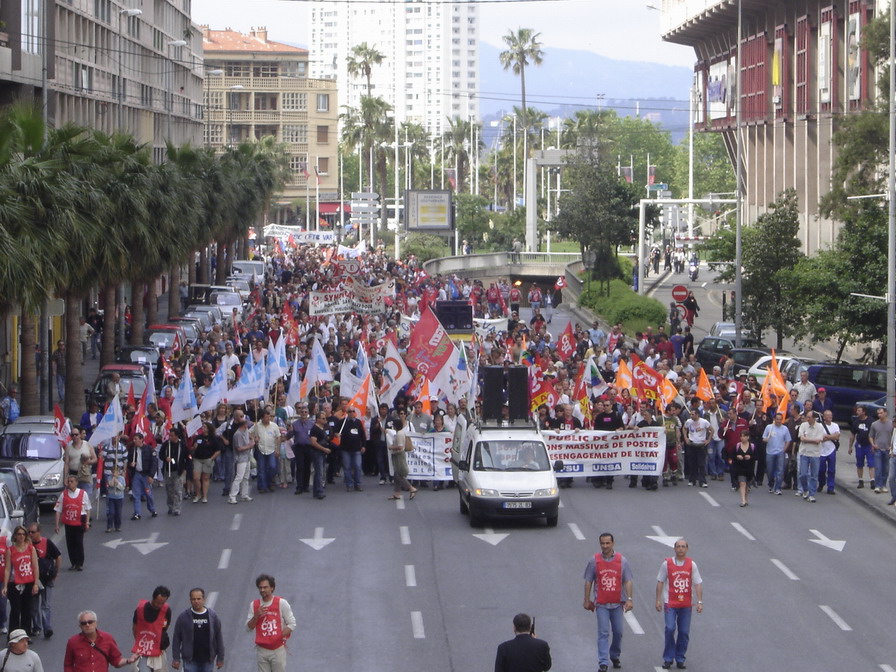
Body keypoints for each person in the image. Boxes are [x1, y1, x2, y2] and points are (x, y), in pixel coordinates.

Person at [583, 533, 633, 672]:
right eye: (602, 543)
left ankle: (615, 655)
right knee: (603, 632)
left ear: (613, 543)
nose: (605, 546)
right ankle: (603, 662)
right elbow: (588, 581)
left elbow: (627, 580)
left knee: (618, 632)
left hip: (617, 603)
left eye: (607, 543)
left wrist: (629, 599)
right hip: (601, 604)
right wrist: (587, 600)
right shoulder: (594, 561)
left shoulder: (622, 560)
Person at [655, 539, 703, 670]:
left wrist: (699, 602)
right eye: (678, 547)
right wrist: (658, 600)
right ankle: (668, 658)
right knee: (670, 628)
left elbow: (697, 583)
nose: (681, 549)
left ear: (687, 549)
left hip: (686, 604)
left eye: (683, 547)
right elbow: (660, 581)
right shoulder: (667, 564)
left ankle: (680, 657)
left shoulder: (692, 565)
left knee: (683, 632)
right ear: (674, 549)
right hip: (670, 603)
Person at [245, 574, 295, 672]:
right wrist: (256, 615)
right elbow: (248, 628)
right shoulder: (254, 605)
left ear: (272, 588)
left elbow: (292, 624)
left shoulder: (281, 603)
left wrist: (278, 637)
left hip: (277, 649)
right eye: (260, 587)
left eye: (265, 587)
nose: (262, 590)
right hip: (262, 649)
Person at [171, 588, 225, 671]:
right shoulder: (183, 617)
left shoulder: (213, 616)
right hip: (190, 661)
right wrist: (176, 658)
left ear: (203, 599)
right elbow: (177, 639)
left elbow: (218, 638)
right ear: (190, 600)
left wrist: (220, 658)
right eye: (193, 599)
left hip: (208, 660)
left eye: (199, 599)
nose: (196, 601)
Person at [63, 610, 137, 671]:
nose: (87, 625)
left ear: (96, 623)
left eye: (90, 622)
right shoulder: (73, 642)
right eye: (84, 623)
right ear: (80, 626)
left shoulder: (108, 638)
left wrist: (129, 660)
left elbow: (116, 661)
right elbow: (68, 665)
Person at [2, 526, 38, 635]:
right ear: (15, 536)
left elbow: (35, 567)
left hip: (28, 582)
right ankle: (13, 634)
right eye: (19, 534)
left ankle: (25, 633)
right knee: (16, 609)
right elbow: (8, 569)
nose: (21, 536)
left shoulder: (31, 549)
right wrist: (5, 586)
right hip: (15, 583)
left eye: (23, 534)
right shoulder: (10, 550)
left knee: (27, 609)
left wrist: (36, 584)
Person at [28, 523, 61, 639]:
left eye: (33, 532)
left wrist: (56, 572)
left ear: (39, 532)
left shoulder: (46, 542)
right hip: (32, 581)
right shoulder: (27, 545)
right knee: (34, 606)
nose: (30, 534)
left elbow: (58, 557)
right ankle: (37, 627)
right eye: (29, 532)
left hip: (46, 580)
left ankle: (47, 628)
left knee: (45, 605)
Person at [54, 475, 91, 570]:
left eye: (71, 481)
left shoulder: (83, 493)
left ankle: (79, 563)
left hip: (79, 520)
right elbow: (58, 510)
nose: (69, 483)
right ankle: (73, 562)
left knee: (79, 542)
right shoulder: (64, 494)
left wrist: (87, 522)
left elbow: (87, 509)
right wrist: (57, 525)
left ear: (76, 483)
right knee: (70, 543)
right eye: (68, 481)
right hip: (69, 522)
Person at [131, 586, 172, 672]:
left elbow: (165, 628)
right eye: (157, 602)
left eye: (162, 603)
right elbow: (135, 626)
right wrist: (140, 642)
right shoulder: (140, 609)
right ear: (153, 597)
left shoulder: (167, 611)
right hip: (143, 650)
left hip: (159, 650)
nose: (159, 605)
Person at [128, 433, 158, 520]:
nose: (134, 441)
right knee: (136, 494)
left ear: (141, 439)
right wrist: (131, 465)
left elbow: (154, 463)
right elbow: (129, 463)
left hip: (146, 475)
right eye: (134, 439)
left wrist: (151, 475)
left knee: (148, 494)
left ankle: (152, 509)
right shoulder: (133, 450)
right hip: (137, 474)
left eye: (136, 439)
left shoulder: (149, 449)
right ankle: (137, 513)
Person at [159, 427, 189, 516]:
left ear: (176, 436)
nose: (170, 437)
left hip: (178, 471)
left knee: (178, 490)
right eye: (169, 436)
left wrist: (185, 468)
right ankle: (170, 506)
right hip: (168, 470)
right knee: (169, 490)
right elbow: (160, 455)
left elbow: (188, 457)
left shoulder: (182, 445)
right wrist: (165, 458)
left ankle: (177, 508)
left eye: (172, 436)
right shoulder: (166, 444)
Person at [798, 410, 825, 502]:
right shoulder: (803, 425)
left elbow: (819, 440)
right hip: (804, 453)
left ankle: (812, 494)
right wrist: (812, 440)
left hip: (815, 454)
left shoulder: (820, 427)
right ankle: (805, 489)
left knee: (814, 475)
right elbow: (802, 438)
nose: (807, 419)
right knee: (803, 474)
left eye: (809, 417)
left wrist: (807, 439)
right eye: (807, 417)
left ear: (814, 418)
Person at [387, 418, 416, 501]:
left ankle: (411, 488)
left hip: (399, 455)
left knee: (398, 475)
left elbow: (400, 446)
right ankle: (397, 493)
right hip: (397, 455)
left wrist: (391, 447)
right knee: (396, 475)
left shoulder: (399, 434)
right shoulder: (399, 433)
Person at [762, 413, 791, 495]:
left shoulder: (785, 428)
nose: (778, 421)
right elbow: (763, 437)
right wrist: (766, 440)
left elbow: (788, 440)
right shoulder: (769, 427)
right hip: (770, 452)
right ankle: (771, 484)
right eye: (777, 419)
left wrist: (784, 450)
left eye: (780, 419)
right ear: (774, 419)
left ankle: (778, 487)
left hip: (780, 452)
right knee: (769, 470)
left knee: (780, 471)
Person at [228, 416, 254, 504]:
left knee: (246, 477)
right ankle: (232, 496)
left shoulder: (245, 431)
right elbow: (239, 448)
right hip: (240, 458)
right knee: (239, 477)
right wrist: (250, 446)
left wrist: (252, 439)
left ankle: (244, 494)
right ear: (244, 425)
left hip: (247, 457)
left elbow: (249, 437)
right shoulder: (238, 434)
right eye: (247, 424)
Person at [682, 409, 711, 488]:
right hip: (692, 444)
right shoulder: (689, 422)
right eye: (690, 414)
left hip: (701, 445)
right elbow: (684, 428)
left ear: (697, 414)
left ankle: (702, 481)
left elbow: (711, 430)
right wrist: (686, 438)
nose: (691, 416)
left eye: (693, 414)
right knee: (692, 463)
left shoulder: (704, 422)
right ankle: (692, 480)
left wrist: (708, 440)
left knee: (701, 464)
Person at [849, 405, 874, 489]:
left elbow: (874, 433)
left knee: (871, 463)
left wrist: (874, 444)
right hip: (859, 445)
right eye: (857, 411)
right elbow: (852, 434)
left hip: (869, 445)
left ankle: (872, 481)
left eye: (859, 411)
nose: (857, 412)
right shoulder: (856, 422)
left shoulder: (871, 421)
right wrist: (850, 446)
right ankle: (860, 480)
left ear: (863, 412)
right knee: (859, 464)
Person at [869, 408, 893, 494]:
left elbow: (894, 436)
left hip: (887, 449)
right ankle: (878, 485)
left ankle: (883, 485)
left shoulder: (891, 424)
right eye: (878, 413)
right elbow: (871, 436)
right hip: (877, 449)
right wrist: (873, 444)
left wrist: (891, 446)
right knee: (878, 468)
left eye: (881, 413)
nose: (879, 415)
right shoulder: (874, 424)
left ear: (885, 413)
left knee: (885, 468)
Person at [818, 409, 840, 495]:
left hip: (832, 449)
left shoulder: (835, 425)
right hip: (821, 451)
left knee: (831, 470)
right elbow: (820, 438)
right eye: (828, 415)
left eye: (831, 415)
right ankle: (821, 483)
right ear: (824, 417)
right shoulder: (819, 426)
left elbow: (837, 436)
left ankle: (831, 487)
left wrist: (826, 436)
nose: (830, 416)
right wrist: (831, 436)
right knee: (821, 469)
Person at [731, 430, 755, 507]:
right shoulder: (737, 446)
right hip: (740, 468)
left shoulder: (752, 446)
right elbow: (732, 456)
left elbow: (757, 456)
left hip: (749, 468)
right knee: (742, 483)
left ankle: (746, 498)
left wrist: (750, 457)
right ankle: (743, 501)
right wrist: (737, 457)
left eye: (744, 436)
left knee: (747, 484)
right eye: (741, 436)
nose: (742, 438)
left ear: (748, 437)